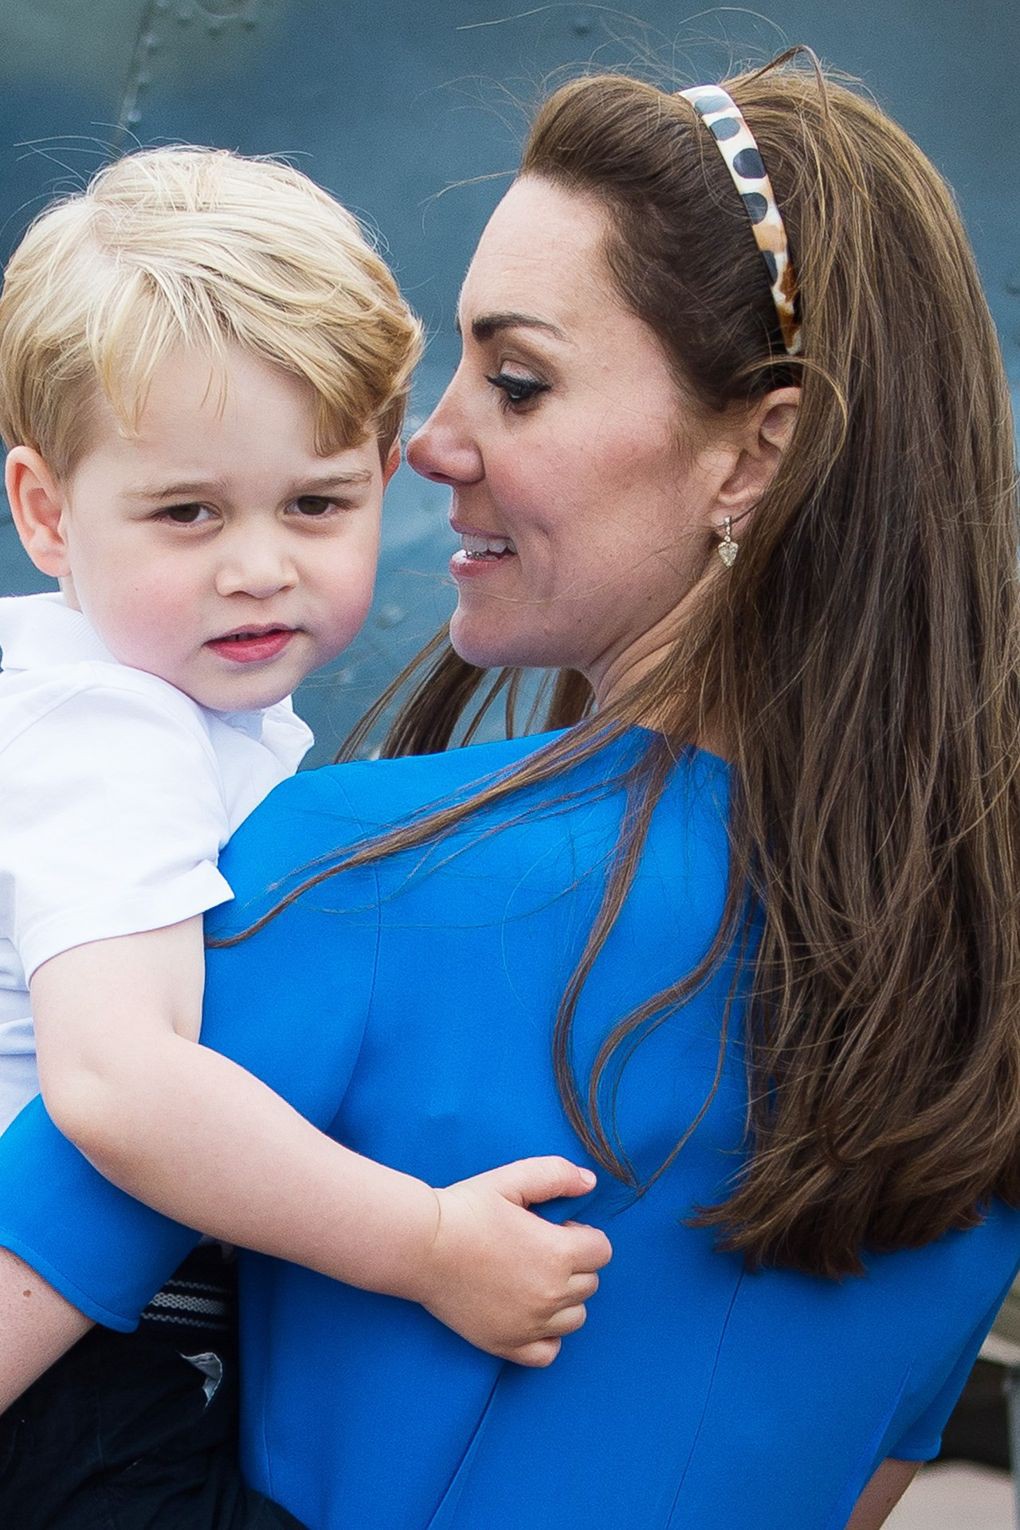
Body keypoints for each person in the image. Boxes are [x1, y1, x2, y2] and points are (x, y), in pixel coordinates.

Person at [0, 49, 1018, 1530]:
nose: (428, 442)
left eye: (518, 380)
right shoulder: (974, 1007)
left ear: (758, 453)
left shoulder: (349, 881)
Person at [0, 147, 610, 1528]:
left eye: (317, 503)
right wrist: (429, 1243)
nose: (261, 564)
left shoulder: (166, 699)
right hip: (66, 1350)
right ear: (46, 511)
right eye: (188, 512)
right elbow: (119, 1084)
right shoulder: (109, 728)